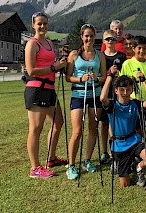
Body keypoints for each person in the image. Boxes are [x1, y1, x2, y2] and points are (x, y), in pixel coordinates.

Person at [24, 11, 67, 178]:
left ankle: (50, 158)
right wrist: (53, 68)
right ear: (33, 25)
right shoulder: (32, 44)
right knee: (35, 128)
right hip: (37, 89)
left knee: (58, 122)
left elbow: (51, 64)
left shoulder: (48, 42)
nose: (42, 26)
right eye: (39, 23)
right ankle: (35, 168)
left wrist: (59, 65)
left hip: (49, 89)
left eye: (45, 24)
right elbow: (31, 70)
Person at [65, 24, 107, 180]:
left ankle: (87, 160)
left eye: (91, 36)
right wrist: (80, 78)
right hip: (78, 94)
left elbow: (104, 76)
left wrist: (97, 78)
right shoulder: (74, 54)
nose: (89, 39)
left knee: (93, 128)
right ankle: (71, 165)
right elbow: (68, 77)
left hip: (95, 94)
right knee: (77, 131)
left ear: (94, 37)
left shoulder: (100, 55)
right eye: (86, 36)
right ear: (82, 37)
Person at [100, 75, 146, 187]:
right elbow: (102, 98)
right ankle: (118, 162)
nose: (125, 93)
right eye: (122, 90)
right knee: (125, 184)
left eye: (128, 90)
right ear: (116, 90)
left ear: (132, 90)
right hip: (119, 145)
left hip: (134, 141)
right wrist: (109, 77)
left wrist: (143, 81)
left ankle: (139, 168)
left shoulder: (135, 104)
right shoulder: (112, 105)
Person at [120, 36, 146, 155]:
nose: (141, 51)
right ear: (133, 48)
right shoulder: (128, 64)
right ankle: (141, 154)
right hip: (134, 103)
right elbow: (123, 83)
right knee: (138, 131)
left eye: (144, 48)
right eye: (139, 48)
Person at [100, 30, 127, 164]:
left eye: (112, 38)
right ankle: (104, 152)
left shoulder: (122, 56)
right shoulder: (100, 56)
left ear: (116, 40)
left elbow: (124, 74)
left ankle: (116, 149)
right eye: (107, 39)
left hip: (118, 94)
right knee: (104, 123)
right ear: (103, 41)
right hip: (105, 93)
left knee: (116, 122)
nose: (110, 41)